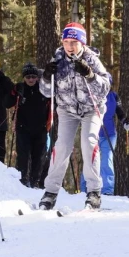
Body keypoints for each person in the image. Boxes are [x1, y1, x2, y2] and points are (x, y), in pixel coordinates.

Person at [38, 22, 111, 210]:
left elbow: (105, 88)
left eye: (74, 42)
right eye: (67, 42)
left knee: (89, 143)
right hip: (67, 109)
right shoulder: (58, 60)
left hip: (91, 109)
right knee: (62, 145)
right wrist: (46, 77)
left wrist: (90, 74)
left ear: (82, 43)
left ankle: (94, 192)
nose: (70, 46)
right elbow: (46, 92)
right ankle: (50, 193)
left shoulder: (92, 59)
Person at [79, 74, 129, 195]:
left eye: (108, 84)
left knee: (107, 162)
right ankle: (85, 188)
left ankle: (107, 190)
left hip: (109, 134)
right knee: (90, 160)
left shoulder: (113, 96)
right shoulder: (90, 95)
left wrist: (125, 122)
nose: (105, 87)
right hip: (92, 133)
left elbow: (120, 112)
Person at [3, 63, 51, 188]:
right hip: (23, 129)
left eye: (33, 77)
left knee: (39, 158)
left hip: (40, 129)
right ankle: (23, 181)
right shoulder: (20, 88)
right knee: (23, 157)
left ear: (37, 77)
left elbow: (54, 104)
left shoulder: (43, 89)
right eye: (28, 77)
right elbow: (7, 103)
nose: (30, 79)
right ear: (24, 77)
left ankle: (34, 182)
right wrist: (13, 93)